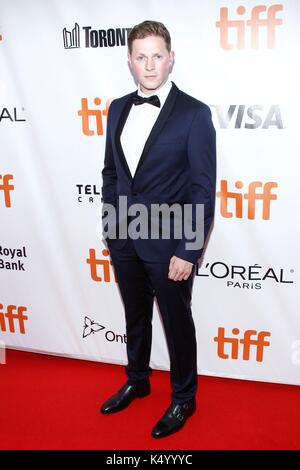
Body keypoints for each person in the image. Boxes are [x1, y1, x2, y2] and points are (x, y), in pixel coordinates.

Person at [100, 20, 216, 438]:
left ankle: (184, 397)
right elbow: (111, 173)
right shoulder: (116, 107)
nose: (149, 65)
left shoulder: (194, 113)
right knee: (135, 317)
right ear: (129, 60)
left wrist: (189, 251)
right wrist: (111, 225)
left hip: (170, 244)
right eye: (141, 56)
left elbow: (203, 189)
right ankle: (138, 378)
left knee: (176, 321)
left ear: (171, 58)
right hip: (124, 238)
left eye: (157, 56)